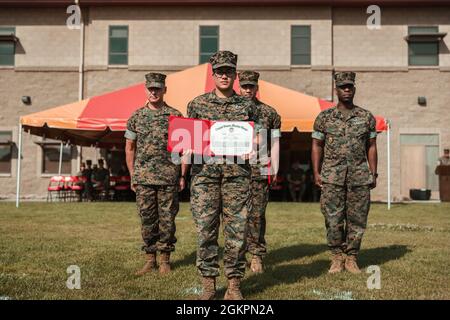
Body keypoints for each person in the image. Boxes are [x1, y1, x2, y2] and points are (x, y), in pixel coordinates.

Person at [183, 51, 261, 300]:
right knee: (206, 230)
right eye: (220, 71)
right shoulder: (197, 104)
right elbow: (186, 139)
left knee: (237, 232)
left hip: (237, 177)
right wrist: (185, 151)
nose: (224, 75)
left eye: (229, 71)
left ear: (235, 75)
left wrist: (255, 146)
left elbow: (258, 138)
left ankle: (234, 284)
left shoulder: (248, 106)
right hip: (204, 177)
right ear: (213, 74)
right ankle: (208, 284)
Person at [311, 71, 378, 274]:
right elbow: (316, 145)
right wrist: (316, 172)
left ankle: (351, 258)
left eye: (350, 86)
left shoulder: (366, 117)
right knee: (332, 218)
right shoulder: (324, 117)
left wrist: (373, 173)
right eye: (343, 87)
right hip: (332, 176)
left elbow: (372, 146)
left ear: (354, 89)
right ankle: (336, 257)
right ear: (336, 89)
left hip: (359, 176)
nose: (346, 90)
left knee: (358, 219)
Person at [125, 72, 184, 276]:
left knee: (167, 219)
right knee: (147, 218)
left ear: (164, 90)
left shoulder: (175, 116)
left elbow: (181, 148)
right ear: (145, 90)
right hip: (143, 177)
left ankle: (165, 259)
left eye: (157, 88)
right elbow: (130, 147)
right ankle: (150, 259)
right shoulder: (136, 116)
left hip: (169, 177)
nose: (154, 92)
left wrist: (182, 175)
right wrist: (133, 174)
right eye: (151, 88)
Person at [238, 70, 281, 274]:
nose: (247, 89)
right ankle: (237, 255)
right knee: (234, 216)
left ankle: (256, 255)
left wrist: (275, 167)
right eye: (244, 86)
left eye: (251, 86)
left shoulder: (269, 113)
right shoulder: (229, 110)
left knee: (257, 215)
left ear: (257, 87)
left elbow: (275, 143)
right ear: (239, 86)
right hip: (233, 171)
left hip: (259, 170)